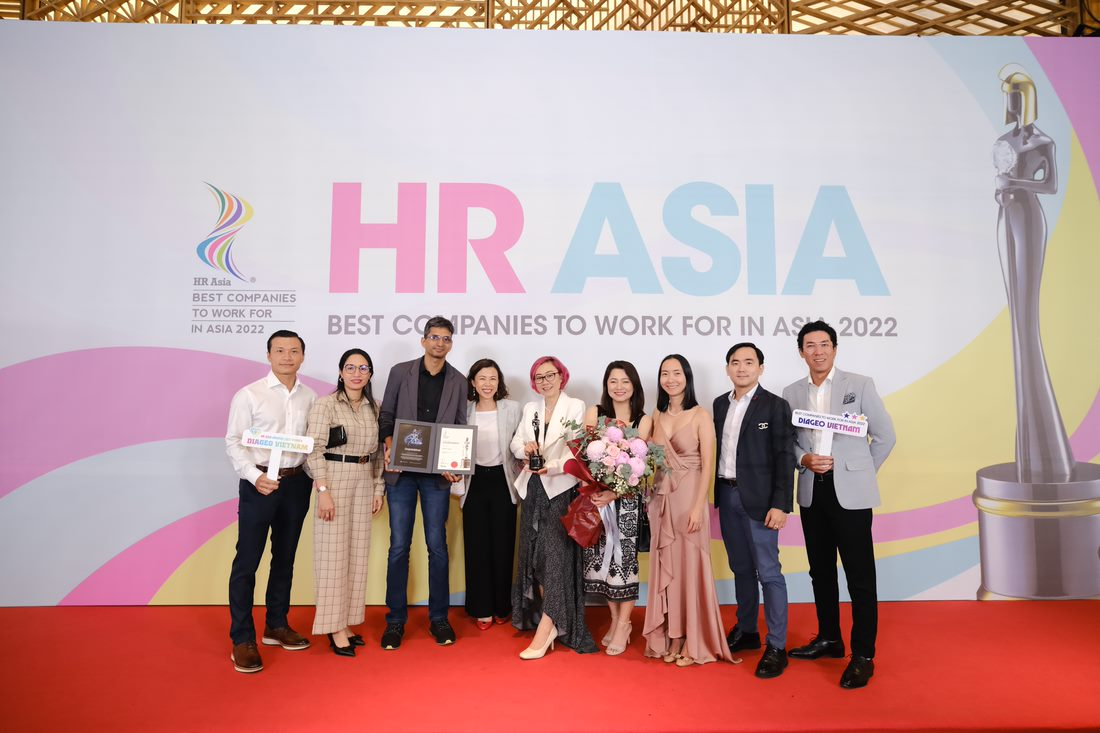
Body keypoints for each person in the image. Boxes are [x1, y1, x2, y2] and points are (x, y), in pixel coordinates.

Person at [782, 320, 896, 689]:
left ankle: (863, 655)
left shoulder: (859, 385)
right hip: (812, 492)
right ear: (801, 352)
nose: (818, 351)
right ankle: (830, 638)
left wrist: (859, 471)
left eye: (824, 344)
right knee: (820, 572)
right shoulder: (791, 392)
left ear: (834, 348)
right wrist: (803, 459)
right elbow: (788, 442)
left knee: (860, 577)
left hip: (851, 495)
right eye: (810, 345)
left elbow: (885, 436)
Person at [224, 330, 318, 674]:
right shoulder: (249, 394)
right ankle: (242, 638)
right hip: (259, 484)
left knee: (285, 558)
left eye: (293, 351)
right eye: (280, 350)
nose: (287, 357)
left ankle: (276, 625)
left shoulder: (311, 397)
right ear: (268, 355)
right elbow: (234, 441)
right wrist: (254, 476)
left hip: (297, 483)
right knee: (247, 561)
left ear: (303, 356)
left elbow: (313, 443)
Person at [378, 316, 467, 650]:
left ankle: (439, 618)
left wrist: (454, 464)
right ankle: (395, 621)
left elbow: (459, 427)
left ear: (451, 344)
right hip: (401, 473)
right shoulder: (400, 372)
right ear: (423, 340)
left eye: (446, 339)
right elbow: (386, 416)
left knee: (437, 547)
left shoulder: (459, 380)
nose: (439, 343)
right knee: (399, 546)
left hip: (436, 478)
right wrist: (390, 446)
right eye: (434, 337)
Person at [642, 354, 733, 666]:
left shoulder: (700, 415)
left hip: (689, 498)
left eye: (677, 373)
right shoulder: (656, 415)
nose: (671, 379)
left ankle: (691, 640)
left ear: (687, 377)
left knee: (689, 568)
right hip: (661, 500)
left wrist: (698, 507)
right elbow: (648, 460)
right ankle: (672, 634)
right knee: (666, 566)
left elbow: (708, 465)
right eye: (665, 373)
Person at [713, 343, 795, 678]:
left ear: (761, 367)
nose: (742, 368)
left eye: (749, 362)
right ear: (727, 368)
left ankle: (777, 646)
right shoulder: (719, 404)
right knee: (741, 569)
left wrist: (781, 504)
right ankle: (747, 630)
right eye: (735, 362)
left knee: (769, 573)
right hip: (727, 494)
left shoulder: (775, 405)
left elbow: (785, 457)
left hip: (761, 502)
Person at [510, 356, 597, 659]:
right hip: (533, 489)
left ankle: (547, 628)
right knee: (537, 558)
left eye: (551, 375)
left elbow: (578, 449)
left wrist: (555, 466)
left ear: (562, 377)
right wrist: (525, 449)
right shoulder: (530, 409)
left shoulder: (575, 406)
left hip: (560, 489)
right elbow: (516, 444)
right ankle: (553, 620)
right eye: (540, 377)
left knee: (556, 558)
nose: (545, 381)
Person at [305, 348, 386, 657]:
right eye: (350, 368)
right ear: (340, 372)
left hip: (364, 478)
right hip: (334, 479)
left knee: (357, 555)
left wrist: (378, 488)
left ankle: (347, 622)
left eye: (363, 368)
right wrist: (323, 489)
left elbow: (378, 454)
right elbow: (314, 450)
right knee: (332, 556)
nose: (356, 373)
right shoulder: (324, 405)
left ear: (370, 374)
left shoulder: (374, 408)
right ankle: (333, 627)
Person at [581, 361, 652, 656]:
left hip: (628, 503)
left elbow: (641, 466)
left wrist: (615, 492)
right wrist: (600, 490)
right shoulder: (595, 413)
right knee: (603, 565)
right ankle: (615, 619)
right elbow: (584, 456)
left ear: (634, 385)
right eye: (613, 381)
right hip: (597, 500)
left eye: (625, 381)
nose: (619, 387)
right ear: (606, 384)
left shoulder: (644, 420)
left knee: (624, 564)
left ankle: (624, 624)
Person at [455, 358, 522, 630]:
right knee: (476, 547)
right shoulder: (463, 410)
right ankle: (481, 608)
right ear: (473, 382)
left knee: (504, 547)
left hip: (503, 483)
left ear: (499, 382)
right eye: (482, 378)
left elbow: (520, 444)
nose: (487, 384)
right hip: (474, 483)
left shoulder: (512, 409)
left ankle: (502, 606)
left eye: (493, 378)